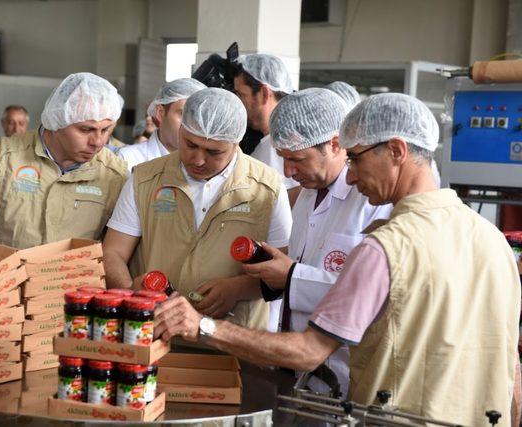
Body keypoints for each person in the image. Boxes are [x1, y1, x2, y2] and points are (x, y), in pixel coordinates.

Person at [153, 93, 521, 426]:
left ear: (396, 150)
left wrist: (202, 325)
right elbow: (511, 360)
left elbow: (309, 351)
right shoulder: (492, 240)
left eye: (356, 158)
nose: (352, 171)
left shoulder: (386, 246)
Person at [104, 88, 292, 330]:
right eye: (190, 145)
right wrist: (130, 290)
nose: (198, 160)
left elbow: (280, 271)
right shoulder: (145, 179)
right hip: (157, 335)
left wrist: (237, 289)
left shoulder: (268, 188)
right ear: (181, 130)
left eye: (214, 152)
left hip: (233, 342)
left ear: (237, 142)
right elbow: (113, 253)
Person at [243, 88, 391, 395]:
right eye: (283, 159)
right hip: (299, 365)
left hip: (344, 369)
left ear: (335, 144)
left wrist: (292, 276)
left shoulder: (371, 201)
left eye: (297, 159)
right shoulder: (307, 193)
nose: (288, 171)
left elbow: (371, 296)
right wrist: (277, 275)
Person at [0, 72, 128, 252]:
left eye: (105, 130)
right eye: (86, 130)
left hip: (74, 284)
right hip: (2, 281)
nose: (98, 142)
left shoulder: (114, 173)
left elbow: (117, 251)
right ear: (57, 121)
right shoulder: (2, 158)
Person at [234, 54, 301, 206]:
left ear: (264, 93)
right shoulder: (265, 142)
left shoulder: (286, 145)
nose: (237, 102)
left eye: (241, 94)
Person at [117, 78, 206, 172]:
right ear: (160, 113)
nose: (191, 124)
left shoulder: (207, 162)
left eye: (197, 117)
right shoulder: (128, 159)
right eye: (183, 114)